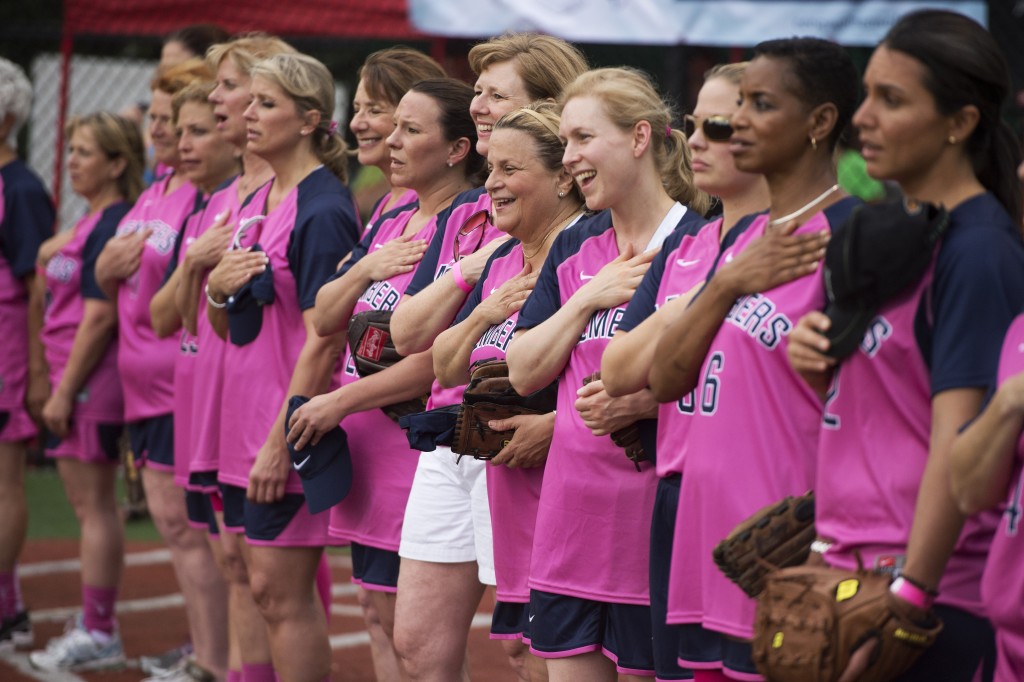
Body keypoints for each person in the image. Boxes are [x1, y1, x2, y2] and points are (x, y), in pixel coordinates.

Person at [788, 10, 1024, 681]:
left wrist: (908, 602)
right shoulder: (897, 233)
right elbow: (885, 413)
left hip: (931, 599)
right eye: (868, 94)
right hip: (854, 571)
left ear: (961, 123)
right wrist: (815, 364)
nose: (863, 118)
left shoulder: (980, 252)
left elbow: (961, 445)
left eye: (892, 100)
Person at [645, 38, 859, 682]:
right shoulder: (741, 235)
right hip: (708, 547)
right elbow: (663, 377)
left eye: (758, 105)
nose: (735, 122)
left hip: (790, 555)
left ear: (820, 123)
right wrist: (730, 283)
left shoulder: (854, 238)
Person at [386, 32, 588, 682]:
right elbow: (418, 342)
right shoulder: (485, 229)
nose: (478, 107)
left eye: (497, 95)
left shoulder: (593, 241)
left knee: (533, 651)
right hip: (458, 437)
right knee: (413, 644)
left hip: (537, 453)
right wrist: (476, 298)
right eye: (478, 93)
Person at [504, 67, 709, 682]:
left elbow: (723, 377)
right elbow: (522, 369)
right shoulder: (576, 248)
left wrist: (645, 405)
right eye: (565, 143)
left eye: (583, 139)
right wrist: (586, 298)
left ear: (640, 138)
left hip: (648, 525)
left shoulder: (698, 243)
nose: (569, 159)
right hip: (569, 523)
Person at [284, 76, 481, 680]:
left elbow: (438, 357)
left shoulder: (474, 222)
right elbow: (322, 314)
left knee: (417, 637)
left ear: (457, 150)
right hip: (367, 436)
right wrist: (366, 265)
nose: (390, 141)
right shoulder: (393, 213)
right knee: (376, 611)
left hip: (409, 441)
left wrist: (339, 401)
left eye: (409, 130)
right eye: (392, 127)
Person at [599, 62, 770, 682]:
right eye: (694, 124)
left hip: (762, 500)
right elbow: (617, 368)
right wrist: (687, 306)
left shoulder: (804, 240)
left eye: (718, 126)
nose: (695, 140)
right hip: (680, 493)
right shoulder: (688, 248)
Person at [203, 51, 360, 682]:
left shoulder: (322, 209)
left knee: (279, 591)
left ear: (309, 119)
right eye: (251, 101)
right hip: (240, 420)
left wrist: (278, 443)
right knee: (249, 580)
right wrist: (215, 287)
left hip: (279, 427)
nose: (247, 112)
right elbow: (232, 326)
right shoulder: (261, 195)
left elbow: (325, 340)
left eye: (266, 103)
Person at [431, 102, 586, 682]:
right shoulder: (504, 259)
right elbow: (444, 367)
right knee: (526, 651)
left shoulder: (586, 252)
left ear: (564, 176)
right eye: (490, 167)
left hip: (564, 493)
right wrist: (483, 314)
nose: (490, 183)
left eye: (508, 169)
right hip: (507, 488)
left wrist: (557, 426)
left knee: (560, 655)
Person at [78, 58, 213, 673]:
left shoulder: (195, 193)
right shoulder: (154, 190)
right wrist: (104, 270)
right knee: (174, 525)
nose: (162, 132)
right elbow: (109, 276)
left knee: (190, 531)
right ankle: (205, 649)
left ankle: (212, 656)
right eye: (157, 119)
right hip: (140, 379)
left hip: (171, 380)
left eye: (175, 121)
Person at [27, 112, 142, 671]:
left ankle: (99, 629)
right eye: (70, 149)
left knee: (93, 505)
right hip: (73, 369)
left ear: (117, 164)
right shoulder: (90, 220)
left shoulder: (114, 221)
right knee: (87, 503)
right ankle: (97, 623)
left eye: (86, 152)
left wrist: (61, 387)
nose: (71, 160)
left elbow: (97, 319)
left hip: (91, 376)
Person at [145, 77, 243, 682]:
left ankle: (224, 663)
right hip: (192, 376)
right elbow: (165, 315)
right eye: (179, 131)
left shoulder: (237, 200)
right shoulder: (200, 206)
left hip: (225, 387)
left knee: (241, 551)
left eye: (198, 130)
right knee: (218, 540)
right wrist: (192, 263)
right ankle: (216, 661)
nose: (182, 144)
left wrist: (196, 274)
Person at [0, 57, 54, 654]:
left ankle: (5, 603)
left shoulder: (21, 189)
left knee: (4, 479)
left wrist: (37, 369)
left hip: (6, 349)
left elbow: (35, 281)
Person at [349, 46, 446, 229]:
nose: (356, 123)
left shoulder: (424, 205)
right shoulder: (386, 201)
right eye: (356, 109)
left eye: (374, 111)